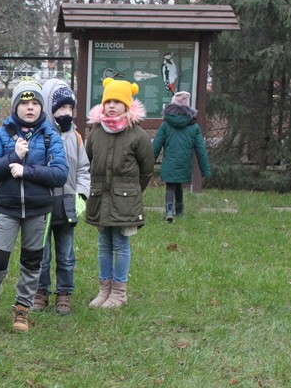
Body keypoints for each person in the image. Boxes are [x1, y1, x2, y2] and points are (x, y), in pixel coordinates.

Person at [0, 79, 68, 332]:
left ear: (41, 107)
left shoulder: (50, 137)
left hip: (38, 210)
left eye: (35, 103)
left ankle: (22, 308)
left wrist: (27, 170)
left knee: (32, 261)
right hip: (7, 208)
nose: (30, 108)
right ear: (15, 106)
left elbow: (60, 174)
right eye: (24, 103)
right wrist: (14, 156)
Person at [84, 78, 155, 308]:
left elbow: (147, 169)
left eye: (117, 101)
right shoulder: (96, 132)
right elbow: (88, 161)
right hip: (100, 198)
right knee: (104, 244)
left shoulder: (138, 135)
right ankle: (104, 290)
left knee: (120, 244)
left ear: (127, 105)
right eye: (108, 101)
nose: (112, 105)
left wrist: (132, 192)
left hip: (125, 200)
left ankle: (119, 293)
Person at [32, 79, 91, 315]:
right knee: (42, 253)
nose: (66, 112)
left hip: (67, 203)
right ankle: (41, 290)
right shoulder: (38, 135)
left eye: (69, 108)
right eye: (60, 108)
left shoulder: (76, 138)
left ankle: (64, 291)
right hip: (42, 203)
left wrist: (82, 195)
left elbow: (83, 169)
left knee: (66, 254)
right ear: (49, 108)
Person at [152, 91, 211, 222]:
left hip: (169, 162)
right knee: (178, 184)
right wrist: (205, 170)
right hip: (184, 163)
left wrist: (149, 163)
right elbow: (201, 150)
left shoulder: (165, 125)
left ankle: (169, 211)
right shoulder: (194, 127)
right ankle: (179, 210)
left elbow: (156, 146)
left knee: (170, 186)